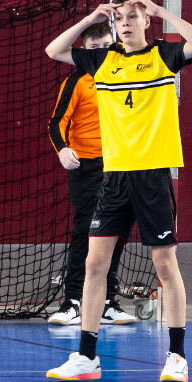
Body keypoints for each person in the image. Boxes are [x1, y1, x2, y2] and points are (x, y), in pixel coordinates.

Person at [42, 0, 192, 382]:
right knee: (94, 265)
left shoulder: (163, 56)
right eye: (119, 18)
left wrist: (162, 12)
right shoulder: (103, 61)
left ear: (146, 20)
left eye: (133, 16)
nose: (125, 23)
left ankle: (177, 356)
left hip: (151, 176)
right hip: (113, 178)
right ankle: (87, 357)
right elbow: (54, 50)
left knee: (164, 265)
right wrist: (92, 17)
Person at [46, 19, 132, 327]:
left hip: (121, 165)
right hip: (88, 166)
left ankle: (107, 303)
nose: (102, 51)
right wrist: (63, 150)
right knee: (86, 232)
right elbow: (56, 122)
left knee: (117, 234)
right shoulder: (77, 81)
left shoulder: (126, 75)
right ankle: (71, 302)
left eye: (107, 46)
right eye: (95, 48)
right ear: (84, 51)